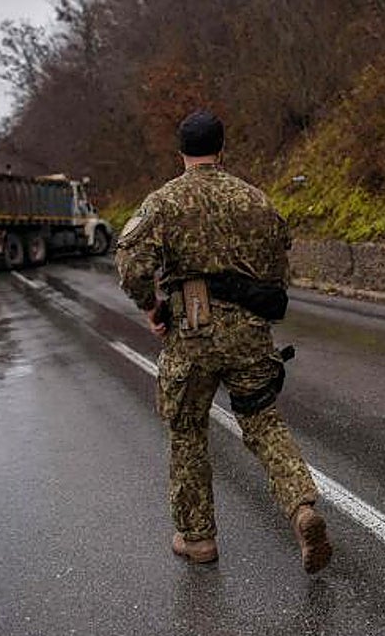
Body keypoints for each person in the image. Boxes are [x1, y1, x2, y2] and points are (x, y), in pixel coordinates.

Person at [115, 110, 332, 574]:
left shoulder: (164, 202)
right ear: (222, 149)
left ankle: (198, 539)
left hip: (191, 335)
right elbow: (277, 273)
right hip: (250, 334)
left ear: (182, 154)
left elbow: (131, 265)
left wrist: (152, 308)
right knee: (263, 422)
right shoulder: (256, 201)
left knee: (188, 432)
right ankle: (301, 508)